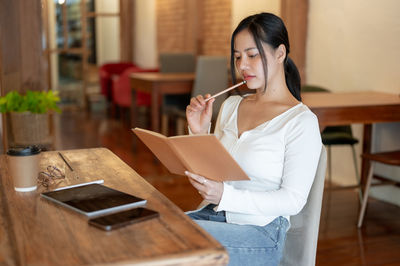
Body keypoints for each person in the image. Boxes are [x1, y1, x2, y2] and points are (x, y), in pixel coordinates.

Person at [184, 12, 322, 266]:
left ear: (280, 54)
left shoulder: (301, 122)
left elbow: (292, 200)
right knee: (155, 228)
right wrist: (198, 132)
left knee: (172, 241)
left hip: (261, 232)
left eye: (252, 55)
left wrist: (226, 196)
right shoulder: (231, 106)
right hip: (215, 215)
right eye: (237, 57)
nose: (242, 66)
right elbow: (213, 172)